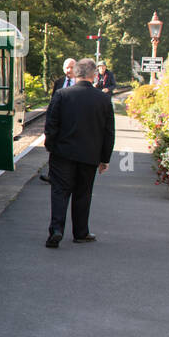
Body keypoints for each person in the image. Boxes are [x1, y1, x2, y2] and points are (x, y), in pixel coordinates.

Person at [43, 58, 115, 248]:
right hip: (89, 155)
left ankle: (56, 230)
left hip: (62, 154)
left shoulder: (61, 95)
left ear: (75, 73)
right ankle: (81, 232)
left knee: (59, 191)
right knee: (83, 193)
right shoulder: (104, 99)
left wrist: (51, 147)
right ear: (93, 75)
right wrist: (104, 158)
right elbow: (109, 132)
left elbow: (51, 126)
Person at [39, 58, 79, 183]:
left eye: (72, 67)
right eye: (67, 67)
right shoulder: (59, 82)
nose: (69, 70)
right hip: (58, 122)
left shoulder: (79, 83)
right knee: (54, 149)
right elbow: (53, 102)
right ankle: (52, 175)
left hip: (73, 122)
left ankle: (71, 176)